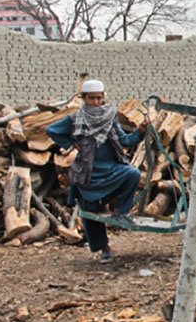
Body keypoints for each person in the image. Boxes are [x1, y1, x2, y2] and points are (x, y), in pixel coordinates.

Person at [47, 79, 147, 264]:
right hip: (88, 172)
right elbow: (52, 130)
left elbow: (125, 141)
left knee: (132, 174)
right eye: (91, 98)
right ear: (84, 98)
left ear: (103, 98)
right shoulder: (75, 119)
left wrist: (140, 132)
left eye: (99, 98)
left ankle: (121, 211)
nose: (95, 102)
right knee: (91, 212)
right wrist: (71, 144)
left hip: (111, 168)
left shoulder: (110, 117)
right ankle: (104, 249)